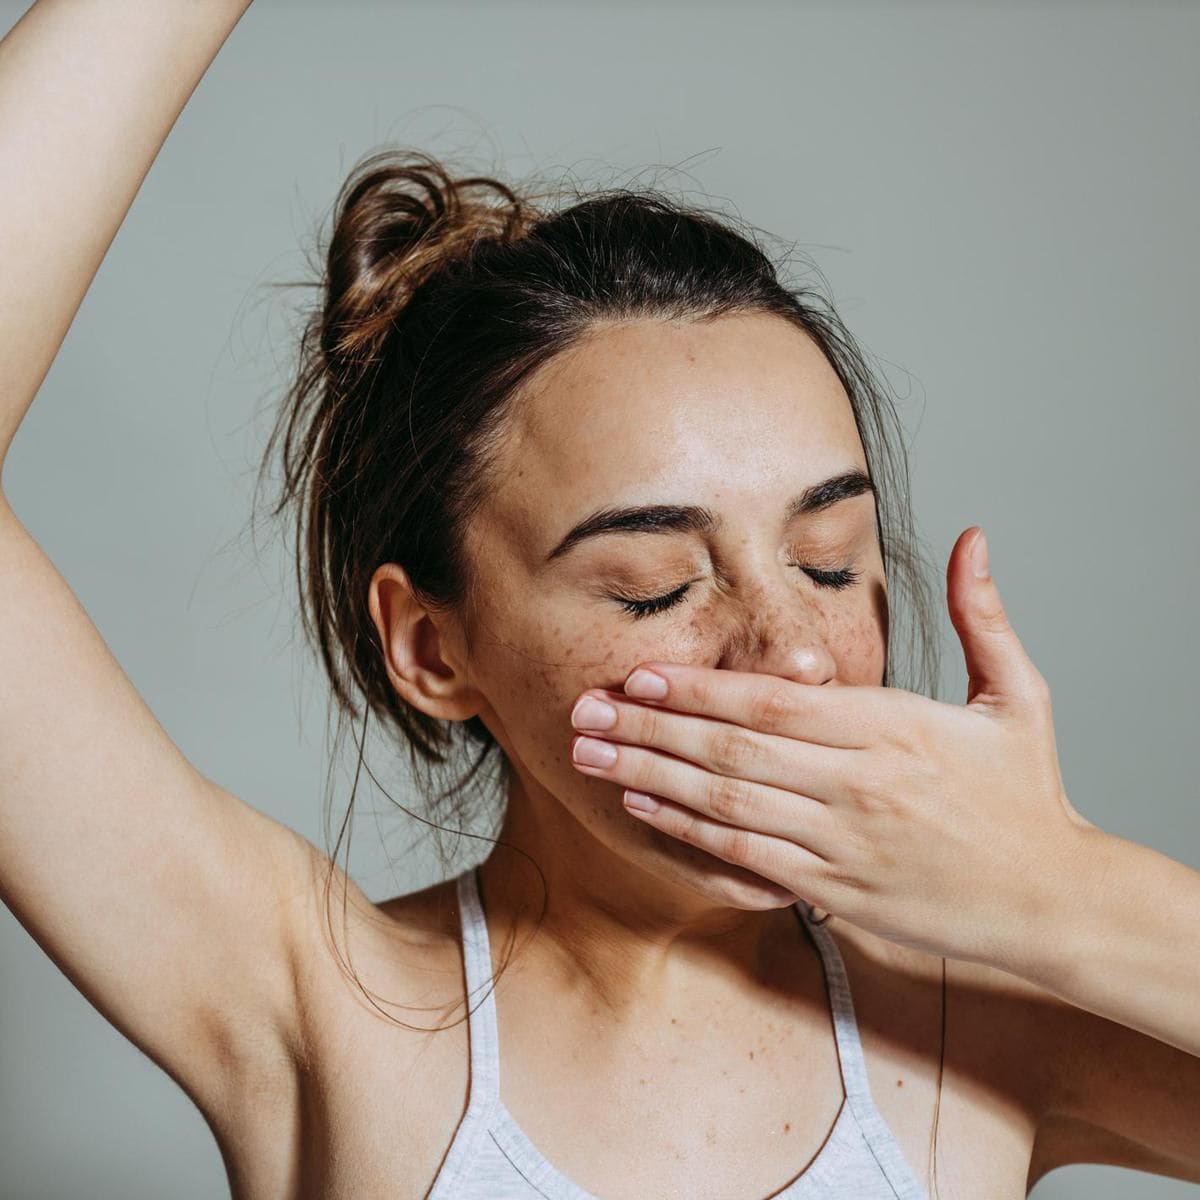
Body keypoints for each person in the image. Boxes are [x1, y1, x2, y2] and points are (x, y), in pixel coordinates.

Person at [1, 3, 1198, 1199]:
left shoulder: (989, 1025)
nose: (793, 656)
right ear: (431, 648)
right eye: (654, 587)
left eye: (830, 560)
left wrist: (1057, 885)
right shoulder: (319, 1009)